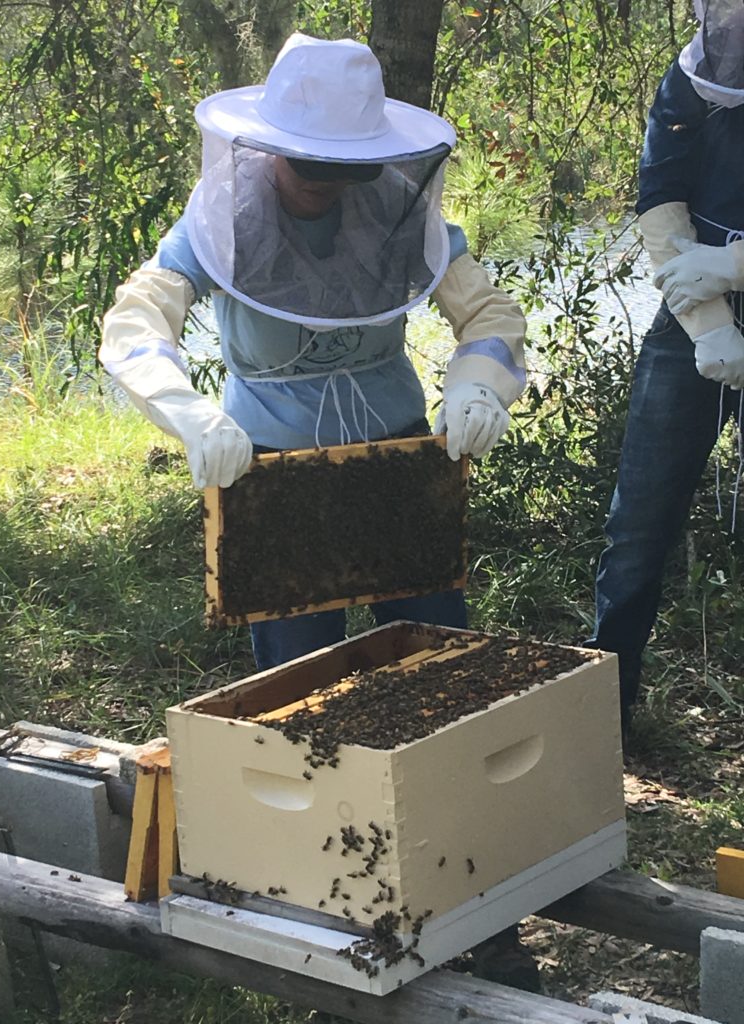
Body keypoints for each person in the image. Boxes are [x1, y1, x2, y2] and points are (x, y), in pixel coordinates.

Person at [100, 32, 527, 673]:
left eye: (344, 167)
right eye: (308, 163)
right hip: (275, 465)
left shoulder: (397, 206)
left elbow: (489, 312)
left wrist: (478, 385)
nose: (324, 183)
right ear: (271, 145)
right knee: (297, 678)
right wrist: (186, 412)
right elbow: (137, 318)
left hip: (400, 458)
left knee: (437, 662)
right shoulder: (223, 218)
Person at [586, 0, 744, 738]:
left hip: (717, 275)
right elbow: (660, 203)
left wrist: (737, 263)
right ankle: (601, 731)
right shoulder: (689, 82)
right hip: (689, 318)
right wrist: (711, 327)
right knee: (637, 528)